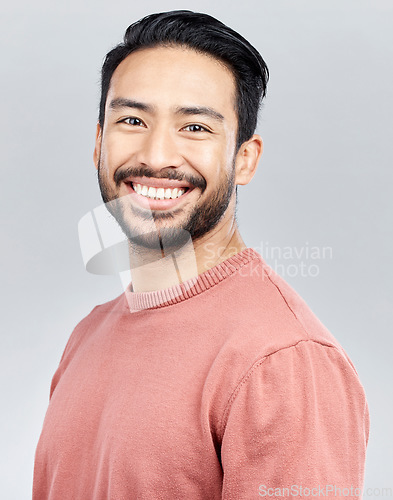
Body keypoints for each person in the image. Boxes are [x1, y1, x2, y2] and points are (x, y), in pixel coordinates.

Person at [33, 10, 369, 499]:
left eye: (195, 128)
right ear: (99, 142)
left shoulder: (283, 362)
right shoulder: (86, 335)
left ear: (245, 159)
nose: (156, 155)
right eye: (132, 120)